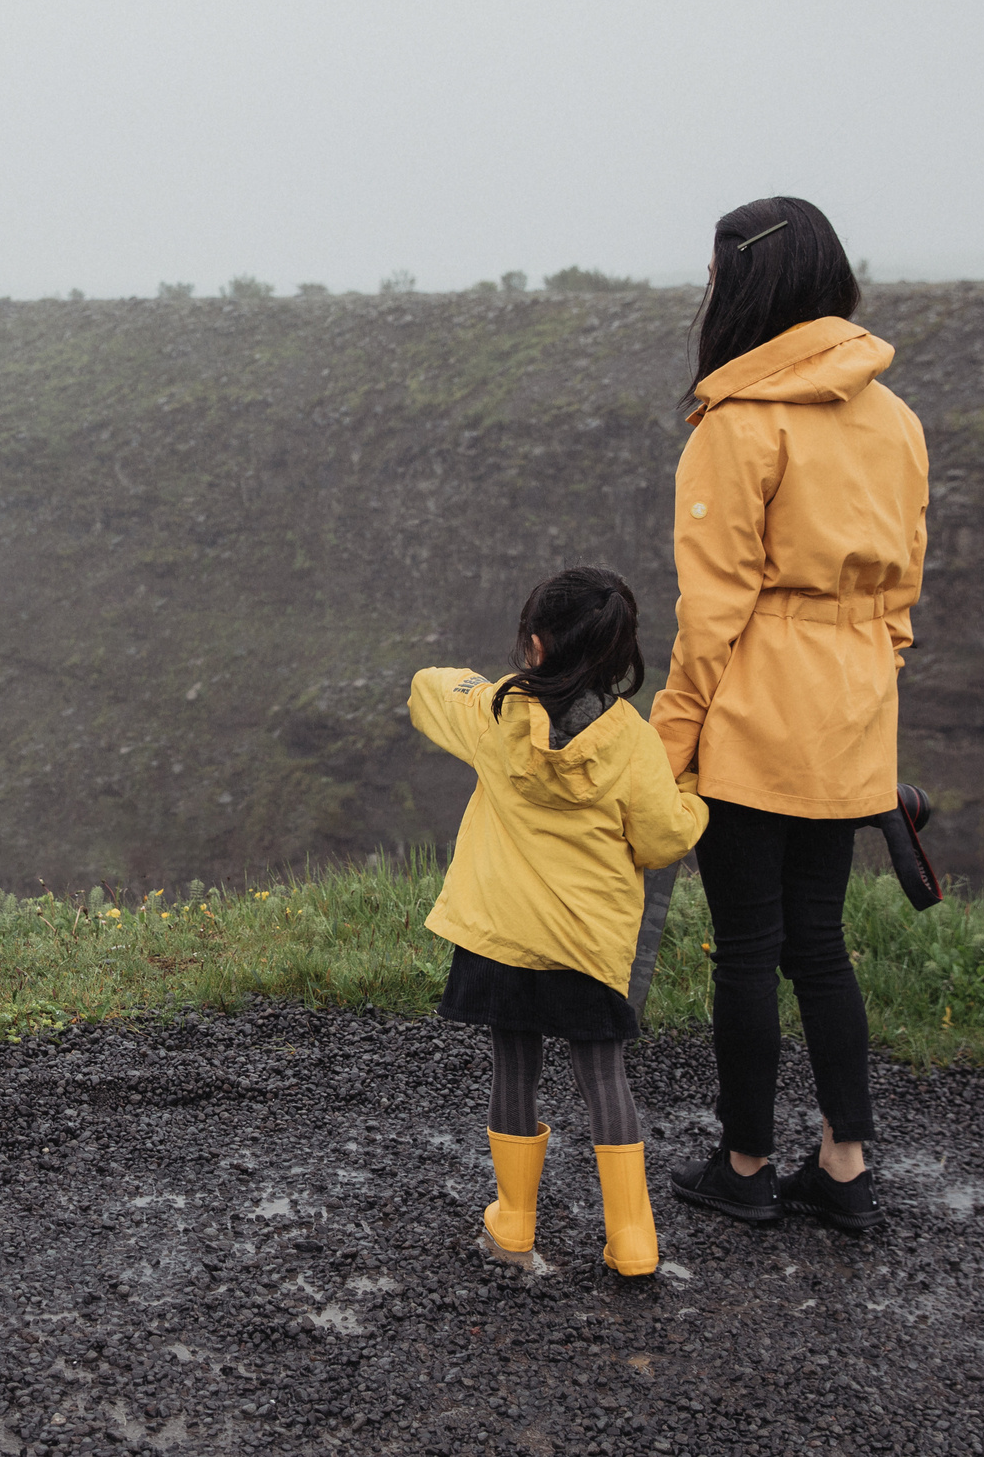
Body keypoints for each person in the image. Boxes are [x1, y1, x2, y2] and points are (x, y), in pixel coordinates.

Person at [651, 196, 929, 1234]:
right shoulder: (894, 418)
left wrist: (668, 740)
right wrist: (866, 671)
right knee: (819, 943)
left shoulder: (739, 422)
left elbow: (712, 605)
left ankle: (746, 1163)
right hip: (855, 708)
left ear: (747, 284)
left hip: (755, 712)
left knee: (744, 945)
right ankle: (845, 1169)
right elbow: (902, 589)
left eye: (717, 275)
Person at [409, 567, 709, 1276]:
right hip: (586, 946)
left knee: (513, 1062)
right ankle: (633, 1241)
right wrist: (691, 794)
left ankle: (514, 1225)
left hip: (503, 938)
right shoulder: (631, 742)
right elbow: (663, 839)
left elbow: (429, 688)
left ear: (536, 645)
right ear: (617, 655)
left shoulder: (494, 713)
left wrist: (478, 684)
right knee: (603, 1075)